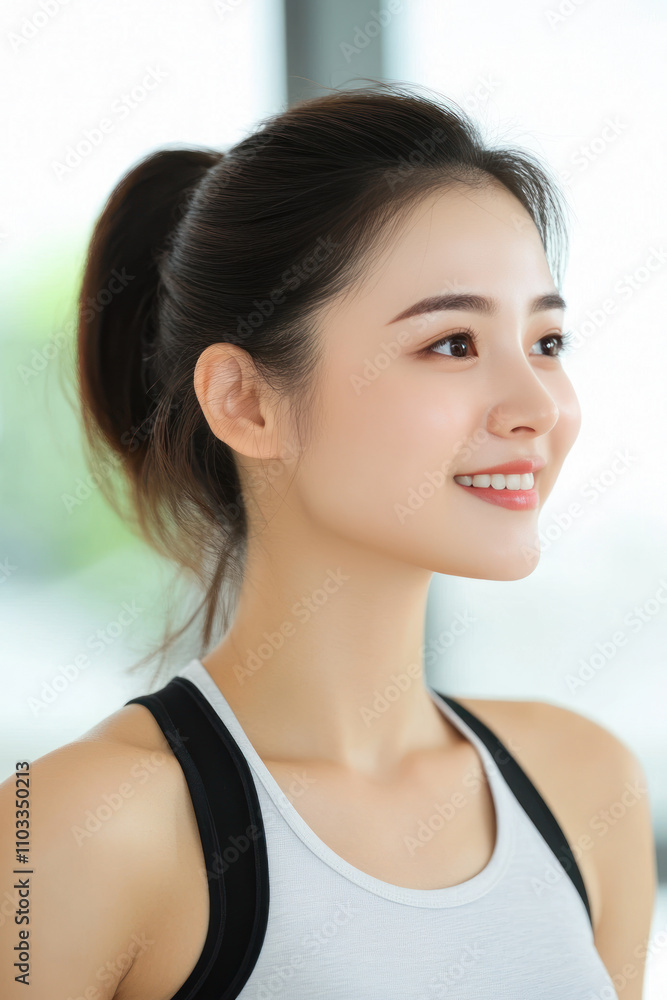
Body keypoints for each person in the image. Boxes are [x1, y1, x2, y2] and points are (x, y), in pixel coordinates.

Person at [0, 84, 656, 999]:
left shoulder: (585, 786)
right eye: (453, 344)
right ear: (246, 401)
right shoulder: (63, 833)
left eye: (546, 341)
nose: (538, 406)